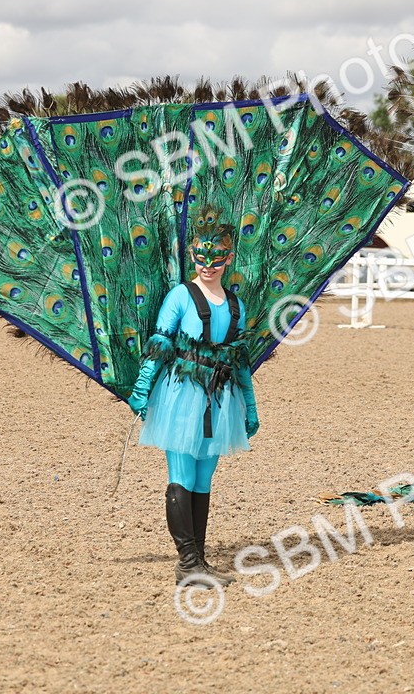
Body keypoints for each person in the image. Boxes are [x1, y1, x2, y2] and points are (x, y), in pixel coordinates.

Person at [128, 211, 259, 587]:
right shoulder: (179, 296)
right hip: (180, 398)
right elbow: (160, 343)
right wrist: (142, 388)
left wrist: (249, 407)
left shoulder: (236, 305)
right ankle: (187, 563)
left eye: (216, 257)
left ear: (229, 258)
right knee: (182, 476)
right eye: (200, 258)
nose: (207, 265)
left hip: (220, 400)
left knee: (204, 480)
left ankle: (198, 560)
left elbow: (239, 360)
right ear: (191, 256)